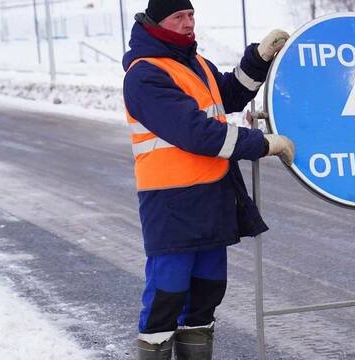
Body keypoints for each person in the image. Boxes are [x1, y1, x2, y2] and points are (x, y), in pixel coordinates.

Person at [122, 0, 294, 358]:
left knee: (206, 297)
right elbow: (197, 133)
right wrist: (261, 144)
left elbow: (228, 93)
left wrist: (258, 60)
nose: (188, 24)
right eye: (178, 17)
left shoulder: (194, 62)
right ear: (157, 22)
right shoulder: (145, 75)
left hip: (212, 199)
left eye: (190, 15)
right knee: (166, 298)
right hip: (172, 207)